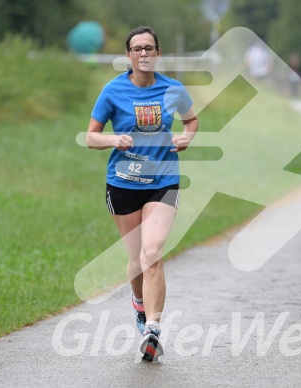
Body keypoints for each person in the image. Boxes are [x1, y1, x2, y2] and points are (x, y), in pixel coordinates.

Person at [85, 26, 198, 361]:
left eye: (149, 48)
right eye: (137, 49)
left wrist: (186, 137)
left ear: (158, 53)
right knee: (135, 261)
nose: (144, 54)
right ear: (129, 55)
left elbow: (191, 121)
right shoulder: (112, 91)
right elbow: (91, 136)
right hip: (122, 183)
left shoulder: (174, 89)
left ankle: (152, 328)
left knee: (152, 254)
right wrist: (112, 139)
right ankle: (138, 303)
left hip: (163, 179)